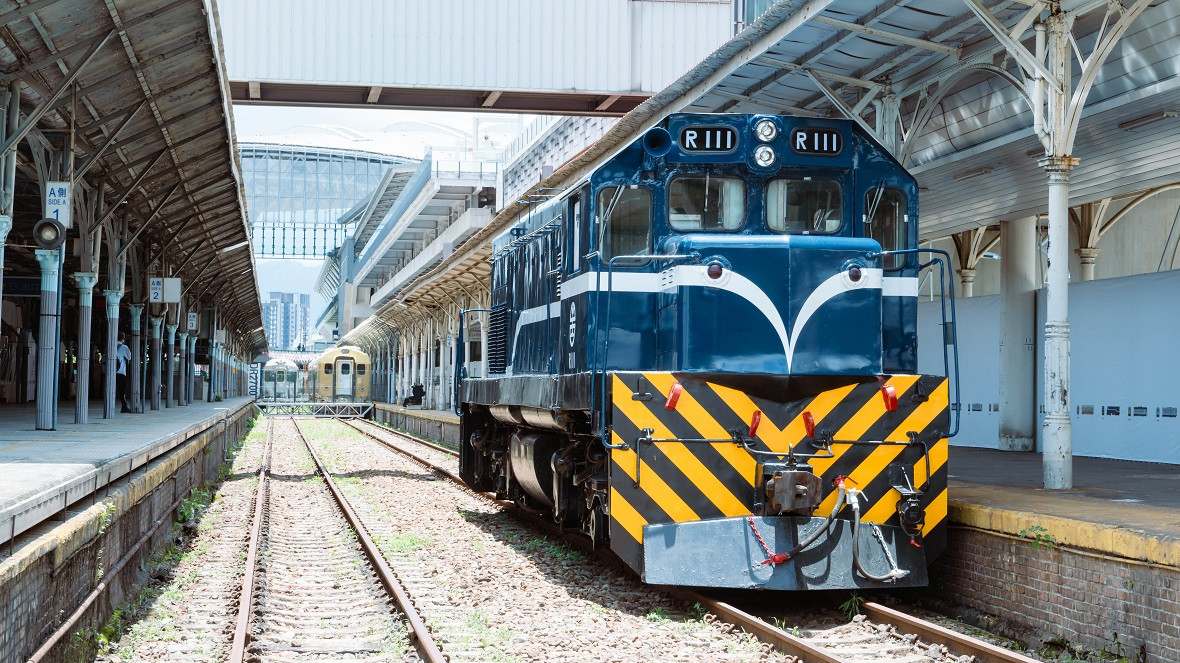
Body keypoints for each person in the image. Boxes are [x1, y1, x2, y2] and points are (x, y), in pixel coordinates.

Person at [116, 332, 132, 413]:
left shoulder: (110, 345)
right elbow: (129, 357)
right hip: (121, 372)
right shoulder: (123, 347)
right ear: (123, 338)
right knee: (122, 390)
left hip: (111, 372)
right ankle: (124, 406)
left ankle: (108, 405)